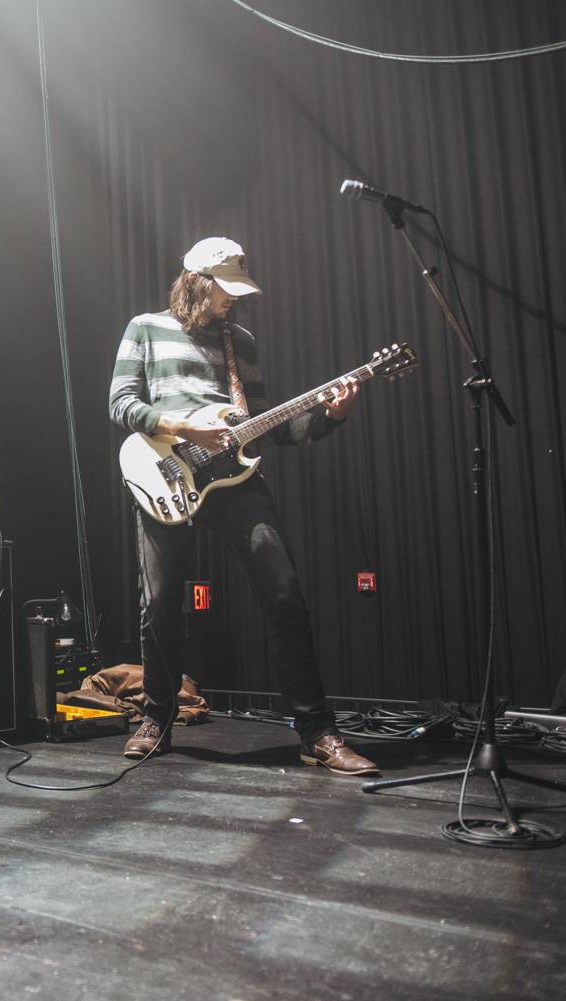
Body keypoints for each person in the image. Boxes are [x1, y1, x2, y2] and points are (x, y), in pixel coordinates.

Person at [107, 237, 379, 776]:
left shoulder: (241, 341)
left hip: (237, 479)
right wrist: (183, 426)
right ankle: (156, 717)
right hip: (166, 474)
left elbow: (271, 426)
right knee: (159, 605)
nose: (233, 300)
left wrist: (331, 415)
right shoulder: (145, 327)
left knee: (285, 595)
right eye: (224, 290)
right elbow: (121, 404)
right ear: (197, 282)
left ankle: (317, 732)